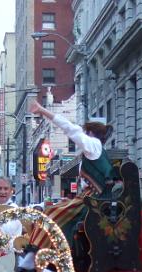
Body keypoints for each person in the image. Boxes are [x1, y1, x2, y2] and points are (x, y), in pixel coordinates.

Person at [27, 100, 117, 256]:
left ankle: (36, 254)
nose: (82, 135)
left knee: (53, 213)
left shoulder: (93, 146)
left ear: (90, 134)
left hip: (94, 200)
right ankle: (47, 254)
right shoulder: (94, 151)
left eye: (85, 132)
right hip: (92, 198)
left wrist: (42, 110)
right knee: (54, 212)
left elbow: (70, 128)